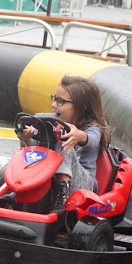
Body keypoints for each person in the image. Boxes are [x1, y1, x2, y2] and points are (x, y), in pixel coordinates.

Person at [19, 76, 110, 211]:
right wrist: (27, 138)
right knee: (41, 143)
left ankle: (63, 192)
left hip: (83, 185)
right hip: (50, 177)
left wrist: (80, 136)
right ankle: (18, 189)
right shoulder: (54, 124)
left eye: (61, 101)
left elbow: (92, 141)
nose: (54, 105)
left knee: (62, 142)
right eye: (54, 99)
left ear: (82, 107)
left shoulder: (92, 128)